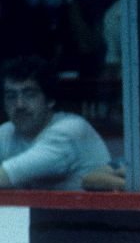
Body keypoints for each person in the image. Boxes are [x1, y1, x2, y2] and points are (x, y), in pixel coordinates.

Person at [0, 55, 109, 190]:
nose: (19, 105)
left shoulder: (70, 130)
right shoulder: (6, 131)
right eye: (11, 96)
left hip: (93, 211)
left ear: (50, 100)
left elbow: (9, 174)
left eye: (30, 94)